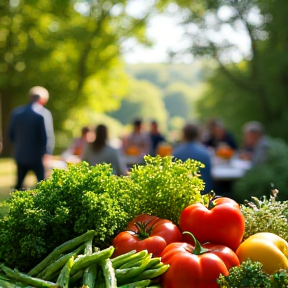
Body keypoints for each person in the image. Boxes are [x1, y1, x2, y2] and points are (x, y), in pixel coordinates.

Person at [8, 86, 55, 190]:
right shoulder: (43, 114)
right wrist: (47, 153)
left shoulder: (17, 113)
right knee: (42, 185)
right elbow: (47, 136)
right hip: (38, 157)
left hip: (21, 155)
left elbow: (11, 135)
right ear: (43, 100)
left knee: (18, 185)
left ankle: (15, 204)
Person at [173, 123, 213, 194]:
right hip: (204, 193)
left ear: (184, 134)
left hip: (182, 195)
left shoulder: (176, 153)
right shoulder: (205, 152)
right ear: (198, 134)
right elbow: (209, 175)